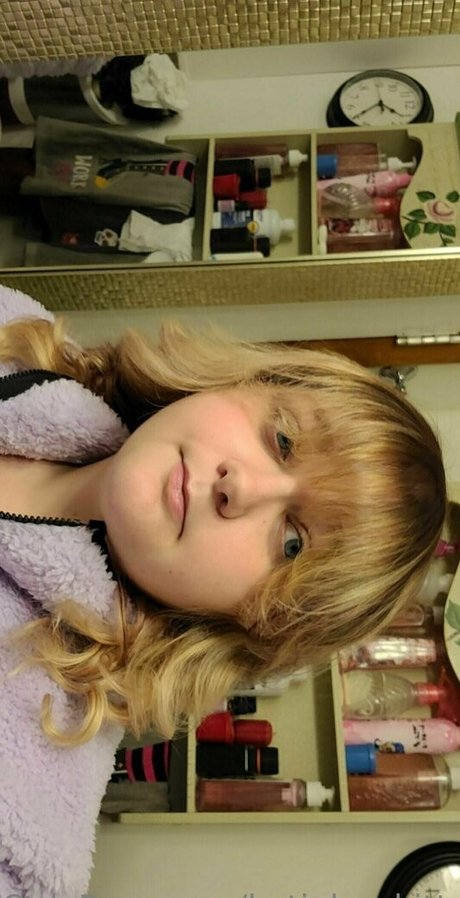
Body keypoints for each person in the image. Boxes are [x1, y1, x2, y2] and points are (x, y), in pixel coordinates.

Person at [0, 285, 446, 898]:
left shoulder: (26, 831)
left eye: (293, 543)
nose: (242, 487)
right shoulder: (19, 334)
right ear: (245, 382)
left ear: (254, 624)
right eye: (283, 439)